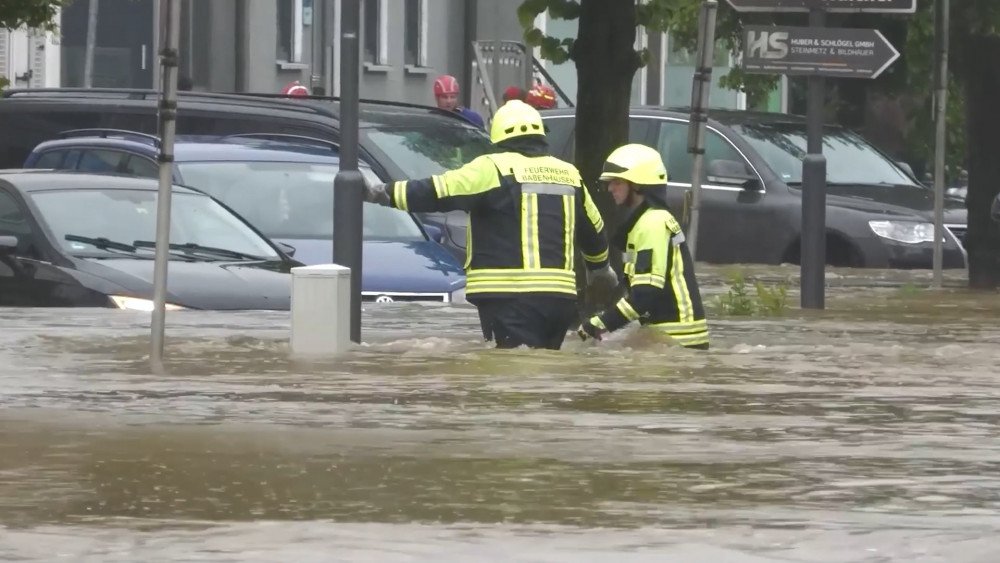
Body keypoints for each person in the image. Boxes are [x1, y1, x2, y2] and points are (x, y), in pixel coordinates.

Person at [365, 99, 615, 350]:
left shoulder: (492, 168)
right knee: (544, 374)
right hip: (561, 301)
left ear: (499, 138)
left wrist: (382, 193)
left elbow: (436, 191)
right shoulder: (568, 173)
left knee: (510, 378)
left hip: (509, 299)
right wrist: (600, 269)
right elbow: (594, 230)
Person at [578, 144, 710, 350]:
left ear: (638, 185)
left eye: (617, 181)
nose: (610, 188)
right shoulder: (649, 221)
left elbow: (644, 296)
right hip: (672, 338)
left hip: (676, 343)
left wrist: (598, 324)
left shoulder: (652, 224)